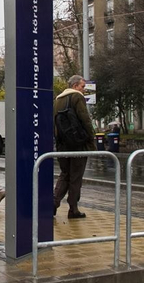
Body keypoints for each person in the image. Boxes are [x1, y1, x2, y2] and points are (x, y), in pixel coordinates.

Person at [53, 75, 95, 219]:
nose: (83, 90)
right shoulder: (77, 97)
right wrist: (91, 139)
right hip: (78, 144)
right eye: (83, 86)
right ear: (76, 86)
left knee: (65, 174)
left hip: (62, 145)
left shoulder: (58, 99)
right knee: (76, 177)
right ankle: (73, 209)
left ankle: (53, 202)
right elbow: (85, 119)